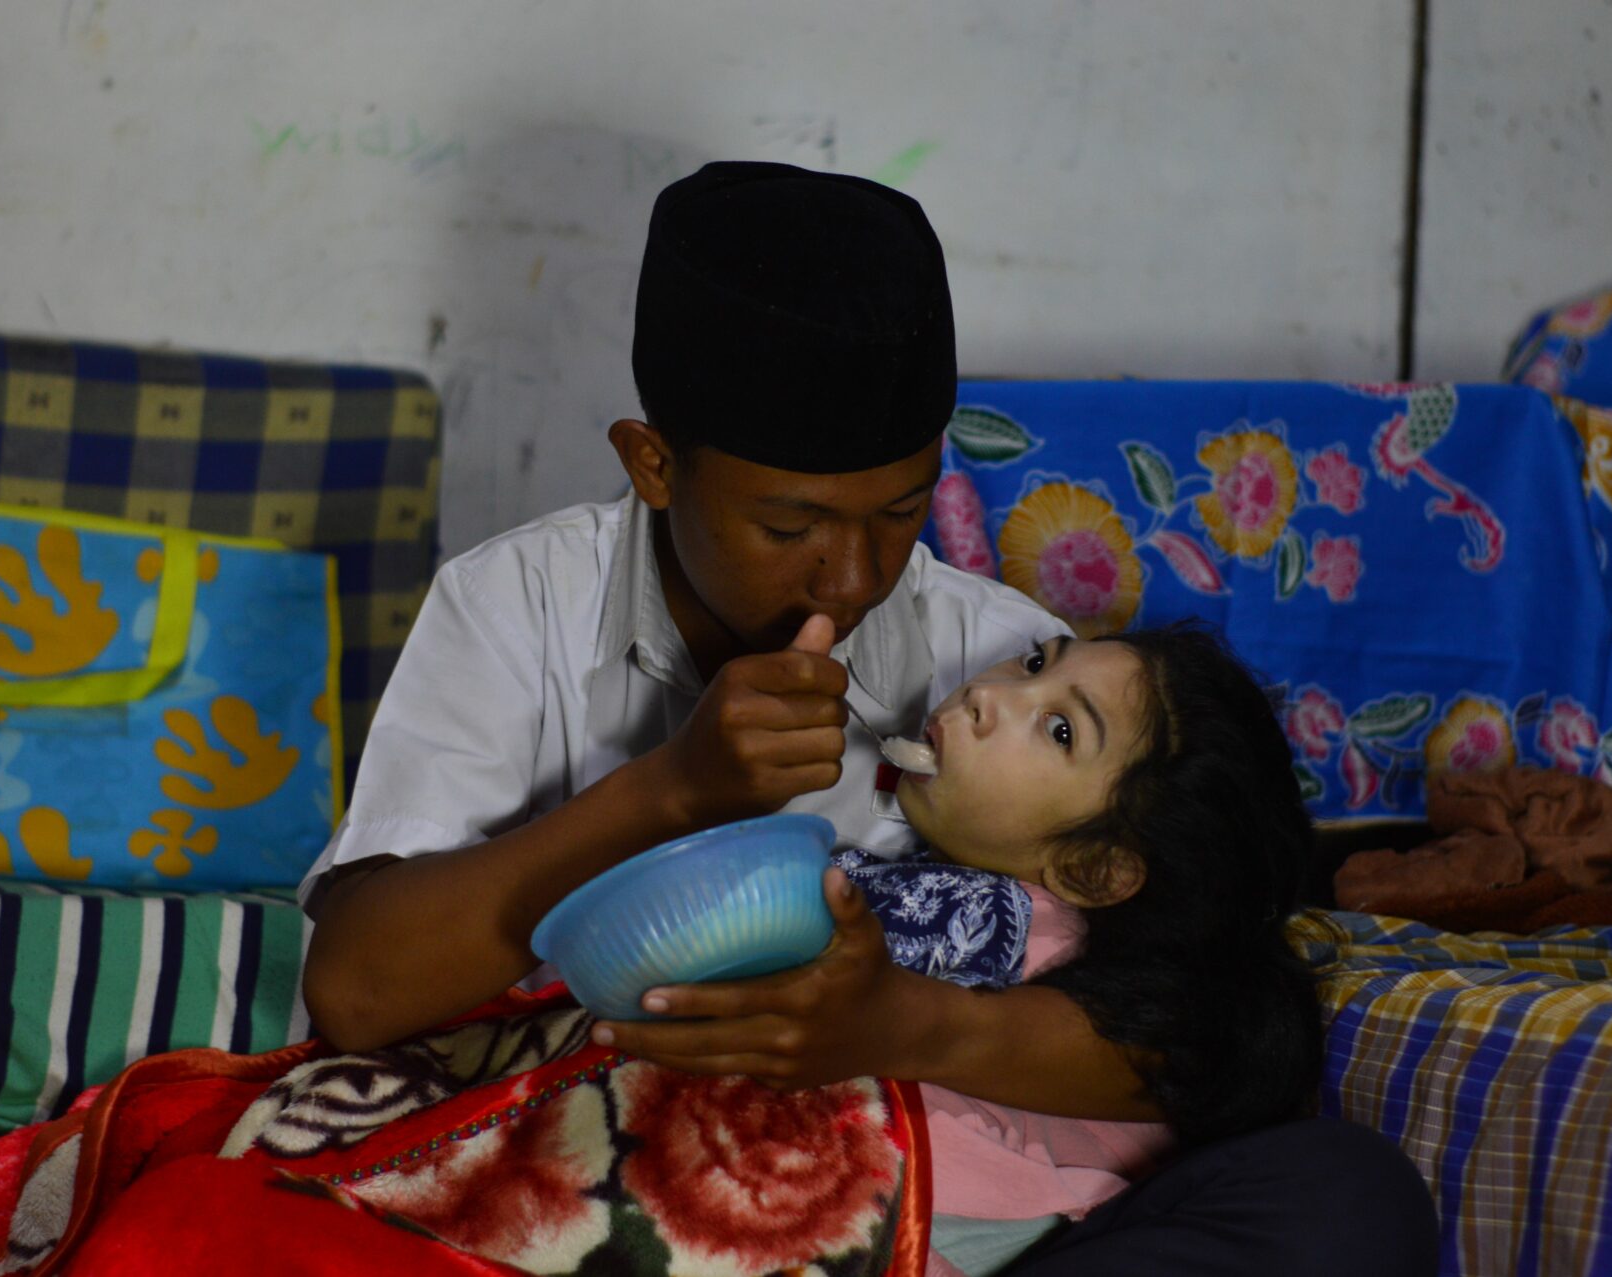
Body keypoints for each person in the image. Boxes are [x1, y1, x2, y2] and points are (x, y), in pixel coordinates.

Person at [299, 160, 1438, 1275]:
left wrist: (904, 1024)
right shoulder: (519, 605)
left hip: (924, 1213)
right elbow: (356, 993)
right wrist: (669, 792)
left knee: (1342, 1192)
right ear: (654, 464)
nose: (850, 579)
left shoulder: (997, 653)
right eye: (789, 526)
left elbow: (1231, 1032)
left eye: (899, 512)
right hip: (633, 1198)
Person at [836, 621, 1429, 1276]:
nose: (986, 693)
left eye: (1061, 730)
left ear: (1092, 868)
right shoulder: (898, 873)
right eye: (1033, 662)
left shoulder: (1048, 942)